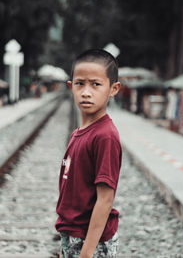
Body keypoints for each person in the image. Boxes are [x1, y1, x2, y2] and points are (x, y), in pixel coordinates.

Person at [55, 49, 122, 258]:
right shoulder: (80, 132)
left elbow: (105, 200)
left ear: (113, 89)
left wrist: (87, 252)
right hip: (74, 234)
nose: (86, 92)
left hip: (91, 241)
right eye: (80, 84)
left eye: (96, 84)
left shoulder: (105, 136)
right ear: (70, 86)